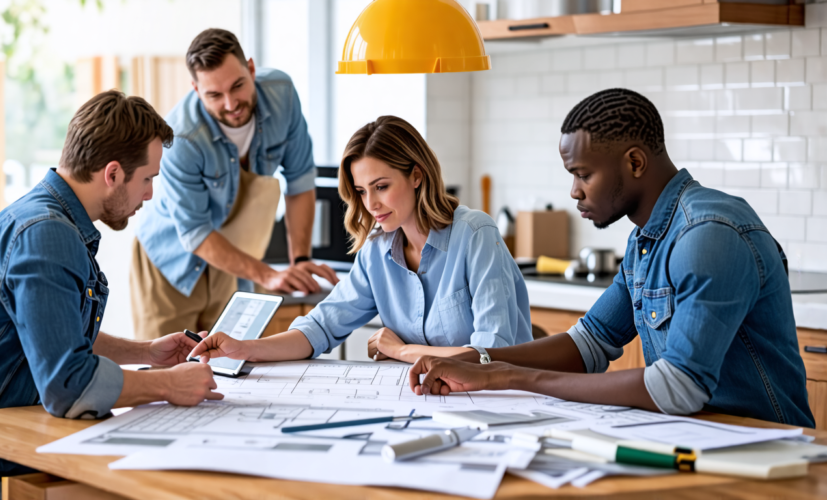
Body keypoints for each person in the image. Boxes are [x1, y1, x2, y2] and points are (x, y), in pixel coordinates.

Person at [407, 88, 815, 428]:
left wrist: (509, 376)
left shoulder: (707, 236)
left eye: (584, 174)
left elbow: (678, 388)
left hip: (765, 449)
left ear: (635, 162)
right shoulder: (648, 238)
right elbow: (588, 343)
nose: (574, 191)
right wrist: (479, 360)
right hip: (699, 439)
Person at [0, 90, 224, 499]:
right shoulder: (46, 235)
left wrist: (146, 353)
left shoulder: (40, 217)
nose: (149, 195)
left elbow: (52, 337)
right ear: (112, 174)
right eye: (147, 179)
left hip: (15, 445)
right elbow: (67, 384)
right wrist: (167, 385)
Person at [188, 115, 533, 365]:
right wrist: (246, 348)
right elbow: (320, 328)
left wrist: (402, 351)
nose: (371, 204)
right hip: (428, 400)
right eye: (362, 191)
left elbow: (492, 355)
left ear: (416, 175)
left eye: (382, 186)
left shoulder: (475, 235)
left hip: (498, 402)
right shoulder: (377, 251)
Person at [131, 28, 338, 341]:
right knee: (168, 371)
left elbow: (300, 181)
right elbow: (196, 233)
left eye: (238, 86)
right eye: (214, 95)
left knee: (233, 362)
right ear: (196, 90)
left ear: (251, 69)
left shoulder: (282, 95)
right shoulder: (181, 138)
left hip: (232, 257)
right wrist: (267, 274)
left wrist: (301, 261)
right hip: (170, 261)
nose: (230, 104)